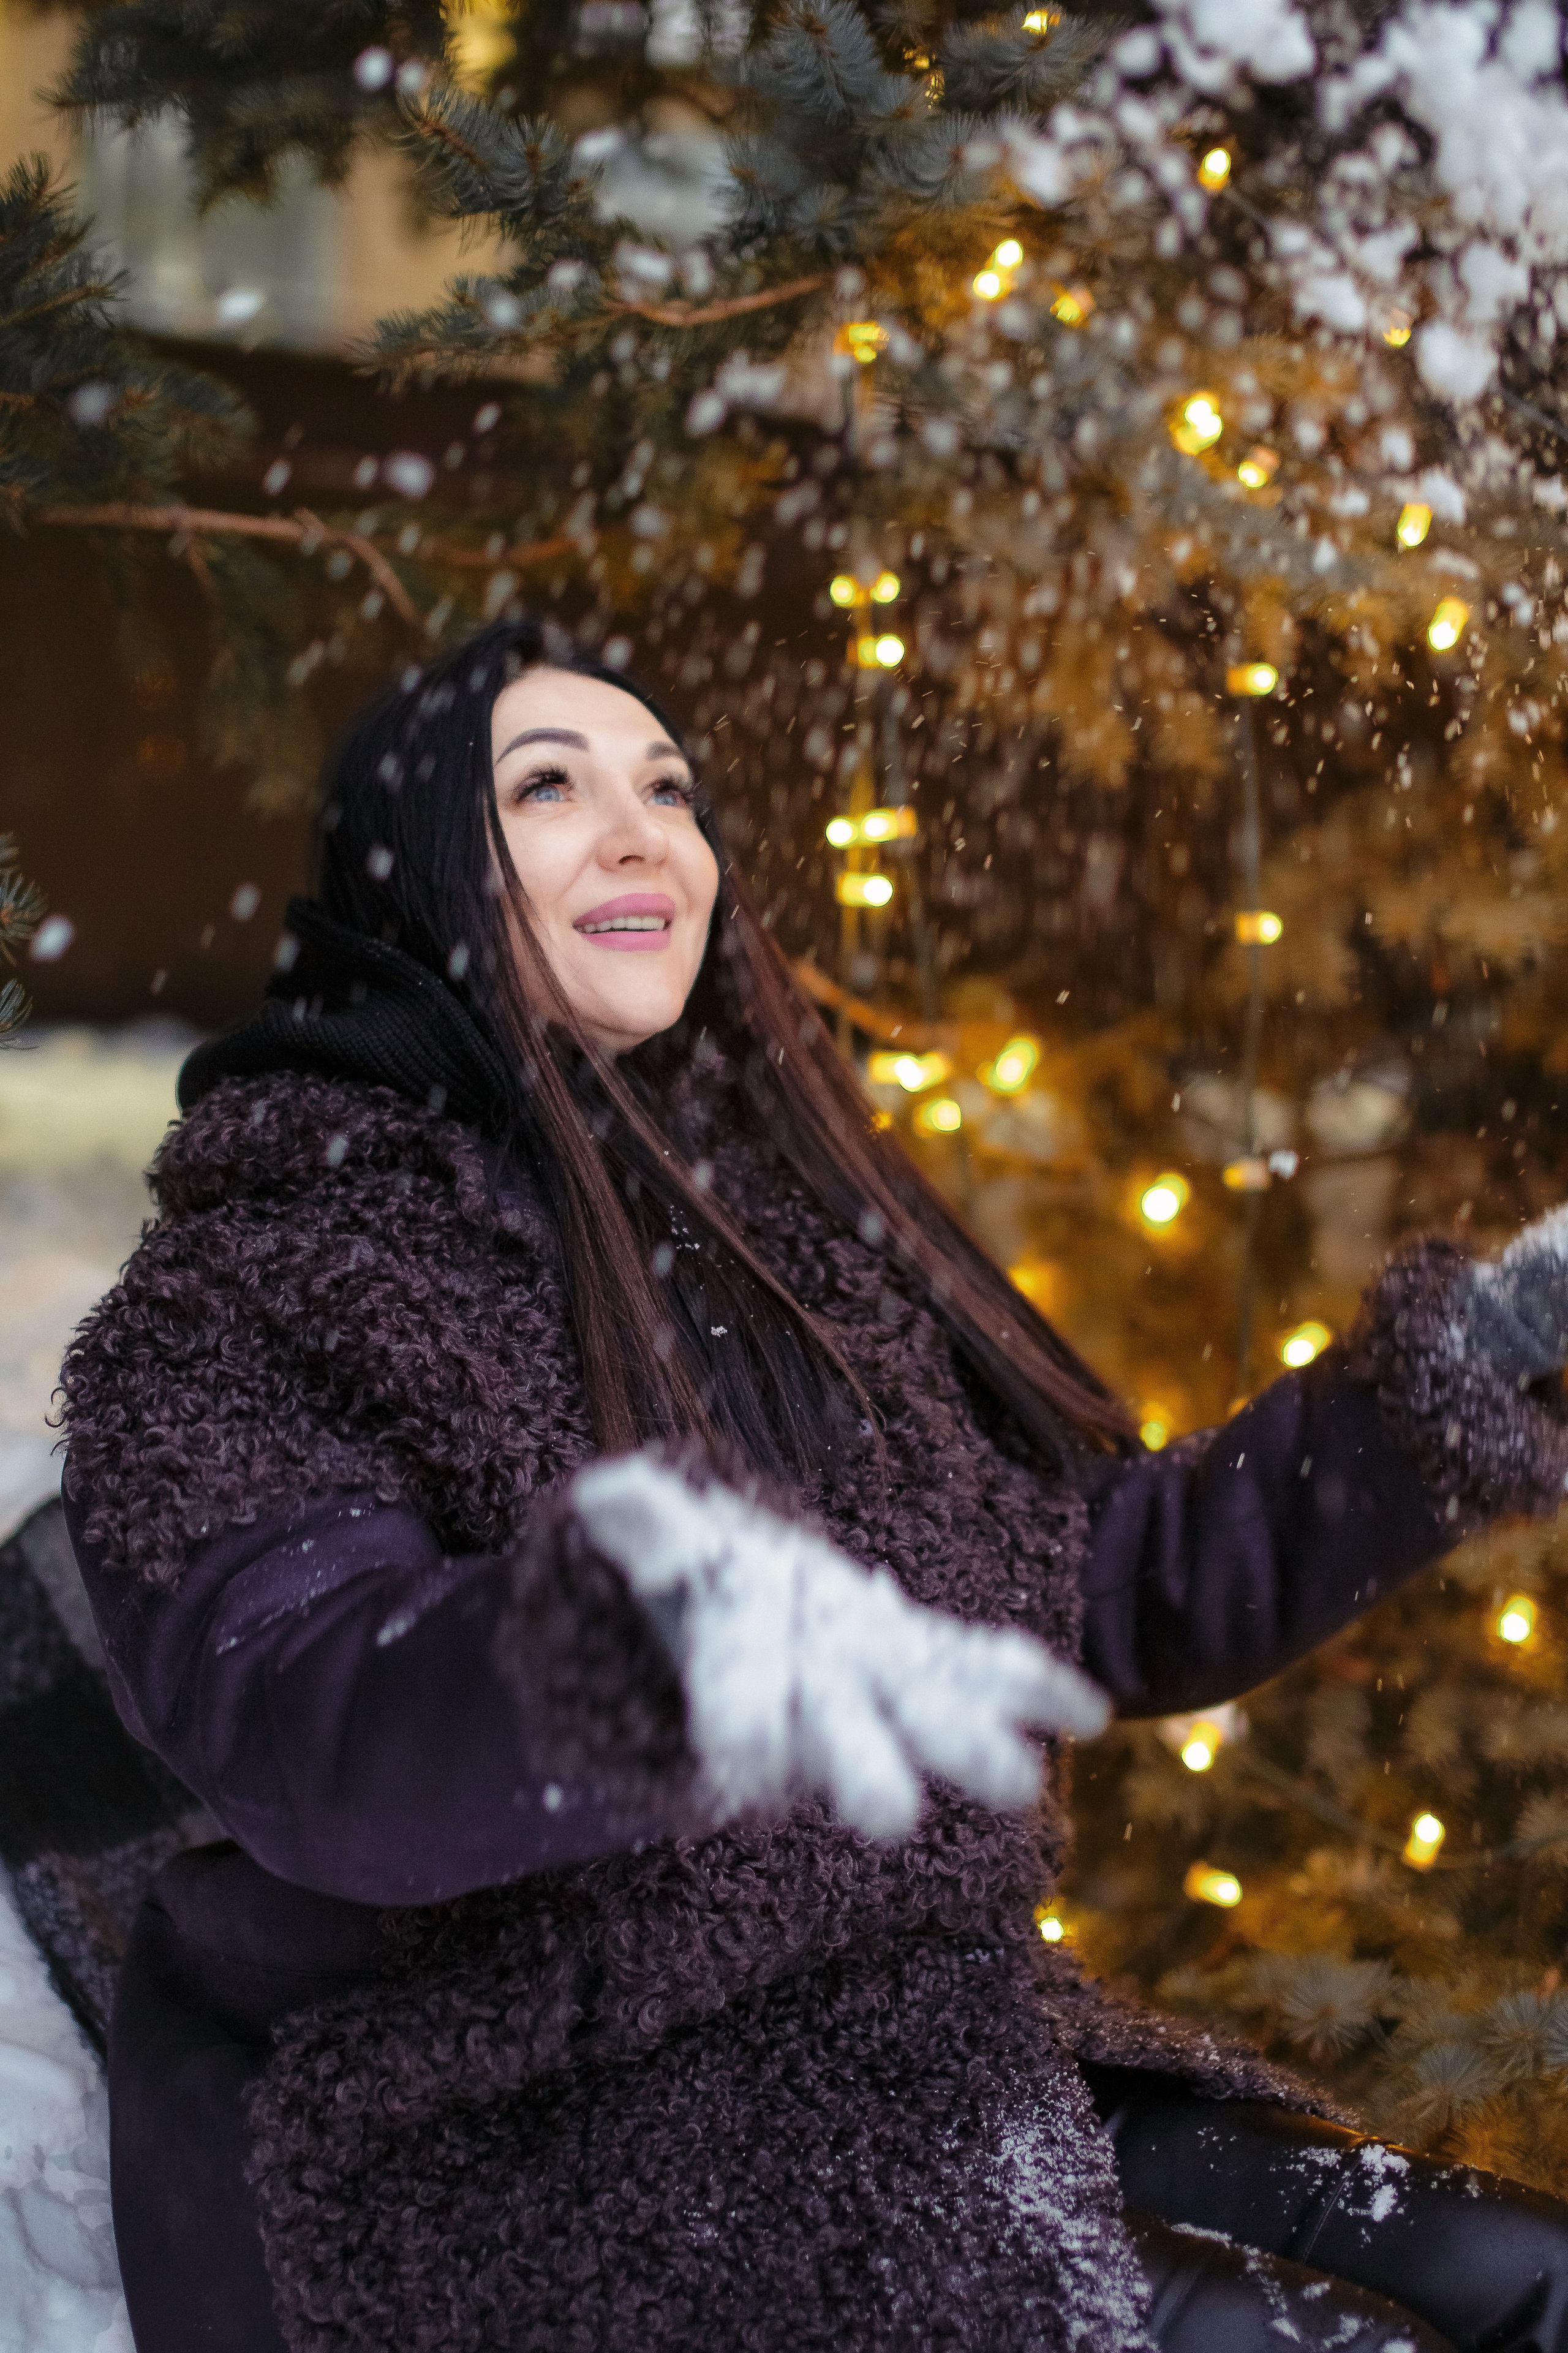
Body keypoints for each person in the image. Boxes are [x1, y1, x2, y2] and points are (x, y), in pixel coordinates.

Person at [58, 616, 1568, 2353]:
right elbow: (318, 1735)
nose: (644, 833)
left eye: (671, 789)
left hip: (914, 2062)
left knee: (1534, 2282)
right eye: (549, 787)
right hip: (508, 2155)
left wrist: (1456, 1378)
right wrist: (636, 1641)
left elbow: (1082, 1576)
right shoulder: (248, 1291)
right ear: (412, 871)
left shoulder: (779, 1247)